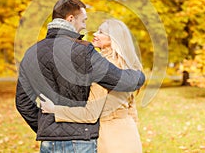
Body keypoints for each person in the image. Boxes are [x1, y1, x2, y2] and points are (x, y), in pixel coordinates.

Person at [15, 0, 145, 153]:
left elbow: (23, 103)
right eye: (83, 21)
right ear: (71, 19)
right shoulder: (84, 51)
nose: (85, 27)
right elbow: (120, 80)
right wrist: (139, 76)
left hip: (49, 142)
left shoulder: (31, 53)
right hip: (81, 140)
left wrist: (47, 128)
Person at [40, 19, 143, 153]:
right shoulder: (129, 66)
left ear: (113, 39)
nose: (95, 34)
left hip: (110, 139)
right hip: (130, 136)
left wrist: (55, 109)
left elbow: (90, 114)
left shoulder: (103, 69)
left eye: (101, 32)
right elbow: (131, 109)